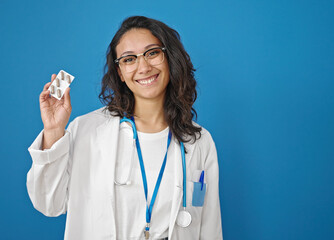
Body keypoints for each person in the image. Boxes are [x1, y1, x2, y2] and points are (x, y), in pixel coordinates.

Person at [27, 16, 222, 240]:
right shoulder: (87, 129)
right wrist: (53, 130)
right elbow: (48, 204)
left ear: (169, 58)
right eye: (129, 59)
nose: (144, 67)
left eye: (152, 53)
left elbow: (210, 227)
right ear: (119, 72)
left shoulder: (198, 141)